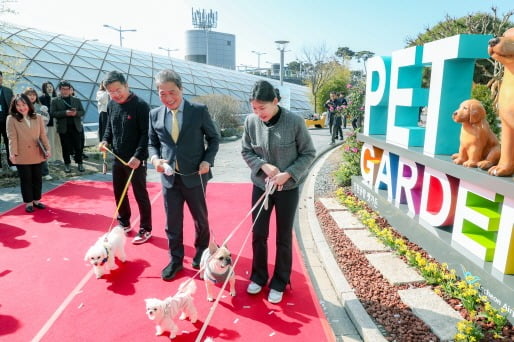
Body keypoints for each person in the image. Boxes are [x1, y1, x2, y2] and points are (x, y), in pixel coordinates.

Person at [241, 80, 316, 304]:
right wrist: (263, 165)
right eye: (254, 108)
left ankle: (280, 281)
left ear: (275, 101)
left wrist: (289, 173)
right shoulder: (251, 121)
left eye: (262, 107)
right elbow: (246, 151)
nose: (258, 113)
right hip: (261, 186)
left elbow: (309, 153)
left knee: (283, 237)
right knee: (258, 234)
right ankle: (258, 276)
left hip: (287, 189)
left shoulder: (294, 122)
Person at [148, 69, 220, 281]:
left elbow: (214, 139)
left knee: (200, 218)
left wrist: (208, 160)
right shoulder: (154, 115)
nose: (168, 98)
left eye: (172, 92)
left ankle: (200, 252)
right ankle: (176, 259)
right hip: (169, 178)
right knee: (172, 221)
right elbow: (152, 143)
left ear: (181, 89)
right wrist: (154, 159)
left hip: (195, 175)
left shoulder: (198, 111)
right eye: (162, 93)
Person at [99, 71, 152, 245]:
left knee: (140, 194)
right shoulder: (111, 105)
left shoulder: (141, 105)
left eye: (118, 89)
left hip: (136, 161)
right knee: (119, 192)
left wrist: (138, 156)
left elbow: (146, 134)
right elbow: (109, 127)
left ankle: (146, 228)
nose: (115, 94)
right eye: (111, 91)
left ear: (126, 85)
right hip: (118, 158)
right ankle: (124, 222)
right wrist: (105, 140)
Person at [6, 93, 51, 213]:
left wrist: (48, 149)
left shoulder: (38, 117)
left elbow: (43, 135)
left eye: (24, 104)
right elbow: (12, 138)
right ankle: (29, 202)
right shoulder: (11, 119)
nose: (21, 107)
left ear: (29, 104)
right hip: (22, 154)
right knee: (26, 179)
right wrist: (12, 154)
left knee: (37, 178)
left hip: (37, 153)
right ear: (14, 106)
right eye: (18, 105)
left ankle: (36, 200)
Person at [50, 80, 85, 173]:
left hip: (75, 127)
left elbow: (82, 112)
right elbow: (53, 113)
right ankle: (67, 164)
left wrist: (76, 113)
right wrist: (65, 113)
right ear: (59, 90)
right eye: (63, 89)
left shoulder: (76, 100)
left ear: (70, 90)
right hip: (63, 128)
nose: (65, 91)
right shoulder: (55, 101)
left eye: (67, 89)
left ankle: (80, 163)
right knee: (65, 147)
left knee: (78, 146)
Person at [24, 87, 52, 181]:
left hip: (39, 133)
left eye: (34, 95)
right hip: (26, 134)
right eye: (29, 95)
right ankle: (32, 173)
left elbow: (47, 119)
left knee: (42, 152)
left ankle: (45, 172)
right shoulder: (22, 106)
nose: (32, 97)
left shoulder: (40, 107)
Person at [40, 81, 62, 163]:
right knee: (50, 140)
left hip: (58, 122)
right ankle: (51, 158)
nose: (49, 88)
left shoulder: (58, 97)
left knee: (58, 140)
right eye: (47, 87)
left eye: (51, 86)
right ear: (44, 89)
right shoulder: (42, 98)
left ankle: (59, 158)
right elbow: (41, 111)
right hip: (50, 122)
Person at [0, 71, 15, 172]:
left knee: (9, 141)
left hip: (6, 120)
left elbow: (13, 106)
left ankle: (12, 163)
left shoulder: (8, 91)